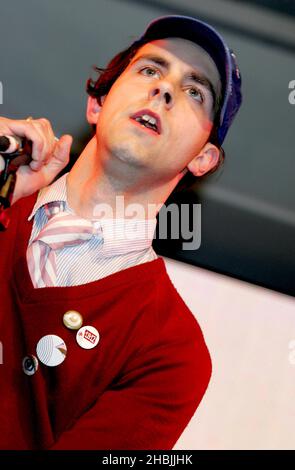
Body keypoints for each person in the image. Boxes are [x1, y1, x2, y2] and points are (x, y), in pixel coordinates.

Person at [0, 15, 242, 450]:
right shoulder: (3, 202)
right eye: (150, 69)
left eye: (194, 92)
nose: (164, 89)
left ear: (203, 158)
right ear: (98, 102)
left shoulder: (170, 352)